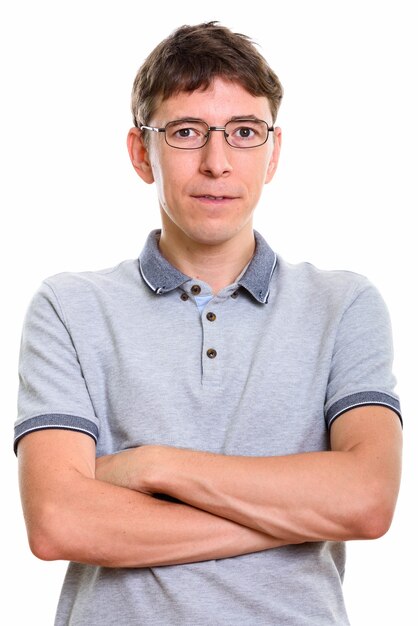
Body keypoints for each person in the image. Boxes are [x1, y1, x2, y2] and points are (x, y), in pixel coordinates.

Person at [15, 21, 402, 626]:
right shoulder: (70, 307)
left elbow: (368, 500)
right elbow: (59, 522)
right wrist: (292, 513)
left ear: (273, 152)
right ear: (142, 152)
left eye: (244, 132)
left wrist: (151, 466)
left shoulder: (344, 304)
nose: (217, 162)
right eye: (187, 132)